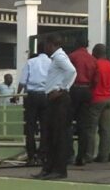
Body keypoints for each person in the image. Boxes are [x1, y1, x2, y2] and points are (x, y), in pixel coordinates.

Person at [33, 34, 76, 181]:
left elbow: (72, 71)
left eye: (45, 44)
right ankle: (48, 168)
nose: (44, 47)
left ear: (51, 44)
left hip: (59, 100)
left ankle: (59, 170)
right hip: (52, 99)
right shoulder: (56, 58)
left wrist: (62, 88)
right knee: (50, 135)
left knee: (58, 136)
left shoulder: (59, 57)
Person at [17, 45, 51, 166]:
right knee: (45, 127)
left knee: (30, 127)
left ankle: (31, 156)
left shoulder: (30, 62)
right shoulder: (51, 62)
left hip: (31, 96)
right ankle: (43, 155)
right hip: (46, 96)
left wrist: (17, 94)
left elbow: (22, 81)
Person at [86, 43, 110, 163]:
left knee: (91, 129)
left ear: (95, 53)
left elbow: (91, 83)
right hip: (109, 99)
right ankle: (103, 156)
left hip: (96, 100)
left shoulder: (94, 65)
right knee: (105, 130)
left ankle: (88, 155)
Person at [69, 35, 97, 166]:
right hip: (87, 91)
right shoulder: (92, 59)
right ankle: (82, 156)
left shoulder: (72, 56)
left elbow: (67, 73)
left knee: (67, 122)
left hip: (74, 89)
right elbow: (95, 80)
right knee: (84, 126)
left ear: (76, 43)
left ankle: (69, 154)